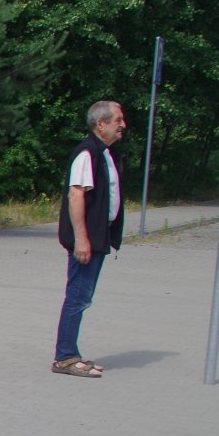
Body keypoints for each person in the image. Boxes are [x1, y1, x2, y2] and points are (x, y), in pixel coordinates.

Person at [52, 100, 128, 378]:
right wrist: (81, 240)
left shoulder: (104, 153)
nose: (122, 125)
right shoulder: (88, 153)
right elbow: (75, 195)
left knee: (82, 297)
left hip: (98, 234)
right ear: (100, 124)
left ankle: (70, 353)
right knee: (77, 297)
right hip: (87, 239)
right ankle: (64, 358)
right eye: (117, 120)